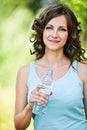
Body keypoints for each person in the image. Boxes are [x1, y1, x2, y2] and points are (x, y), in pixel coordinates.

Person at [14, 3, 87, 130]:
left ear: (70, 34)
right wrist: (30, 105)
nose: (54, 34)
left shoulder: (83, 71)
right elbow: (19, 126)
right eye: (49, 28)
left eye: (62, 29)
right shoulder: (25, 72)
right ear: (42, 31)